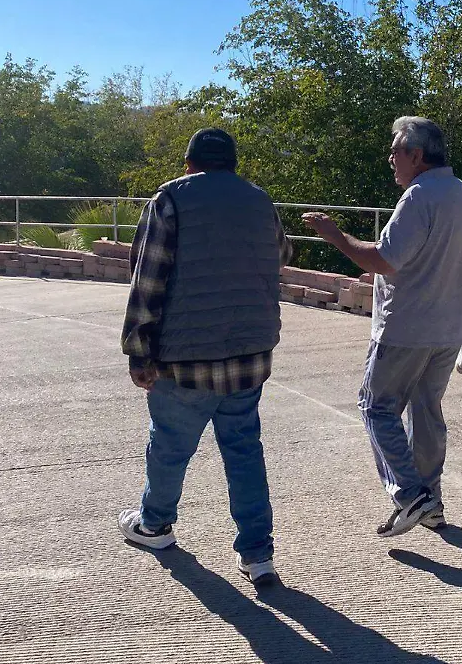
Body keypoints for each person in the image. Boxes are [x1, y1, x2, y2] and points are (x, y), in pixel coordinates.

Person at [117, 128, 292, 587]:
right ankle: (258, 555)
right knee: (244, 452)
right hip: (249, 356)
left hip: (185, 359)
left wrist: (139, 350)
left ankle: (155, 524)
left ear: (190, 164)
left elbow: (148, 276)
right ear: (232, 165)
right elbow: (281, 253)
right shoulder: (259, 200)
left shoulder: (170, 200)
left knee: (170, 447)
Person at [303, 116, 462, 538]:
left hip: (405, 329)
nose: (390, 159)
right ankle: (432, 502)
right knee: (426, 413)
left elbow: (383, 259)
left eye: (395, 151)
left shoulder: (418, 197)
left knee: (376, 407)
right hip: (446, 330)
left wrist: (335, 236)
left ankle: (409, 494)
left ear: (416, 155)